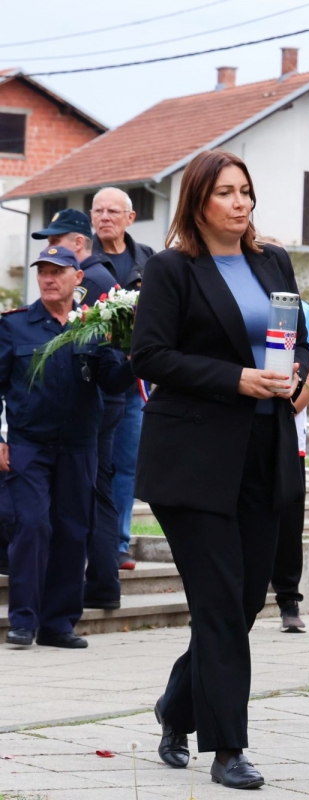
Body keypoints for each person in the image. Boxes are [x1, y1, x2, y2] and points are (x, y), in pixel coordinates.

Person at [131, 150, 309, 789]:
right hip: (194, 464)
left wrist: (289, 373)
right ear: (198, 202)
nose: (241, 204)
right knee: (216, 600)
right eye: (227, 194)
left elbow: (295, 337)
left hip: (264, 454)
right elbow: (150, 355)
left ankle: (176, 706)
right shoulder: (171, 269)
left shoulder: (273, 261)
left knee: (239, 602)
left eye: (247, 192)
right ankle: (229, 748)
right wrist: (237, 378)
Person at [0, 245, 134, 648]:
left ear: (78, 279)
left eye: (58, 271)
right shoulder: (14, 326)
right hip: (29, 445)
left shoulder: (93, 327)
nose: (48, 278)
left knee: (74, 531)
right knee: (33, 526)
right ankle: (23, 620)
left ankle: (59, 623)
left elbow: (112, 381)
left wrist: (136, 356)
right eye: (42, 271)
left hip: (79, 446)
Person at [35, 209, 125, 610]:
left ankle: (101, 582)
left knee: (91, 495)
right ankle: (99, 582)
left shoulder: (91, 280)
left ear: (77, 244)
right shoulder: (103, 274)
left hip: (96, 399)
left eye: (57, 240)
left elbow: (78, 341)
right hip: (101, 400)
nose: (49, 252)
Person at [91, 187, 155, 571]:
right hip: (94, 381)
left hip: (136, 381)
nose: (105, 217)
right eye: (98, 210)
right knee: (91, 464)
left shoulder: (149, 260)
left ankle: (117, 542)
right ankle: (90, 540)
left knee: (126, 464)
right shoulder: (83, 262)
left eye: (113, 211)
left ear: (130, 218)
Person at [271, 298, 309, 633]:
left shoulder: (304, 313)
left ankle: (288, 601)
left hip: (289, 438)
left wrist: (284, 415)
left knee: (289, 524)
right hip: (237, 435)